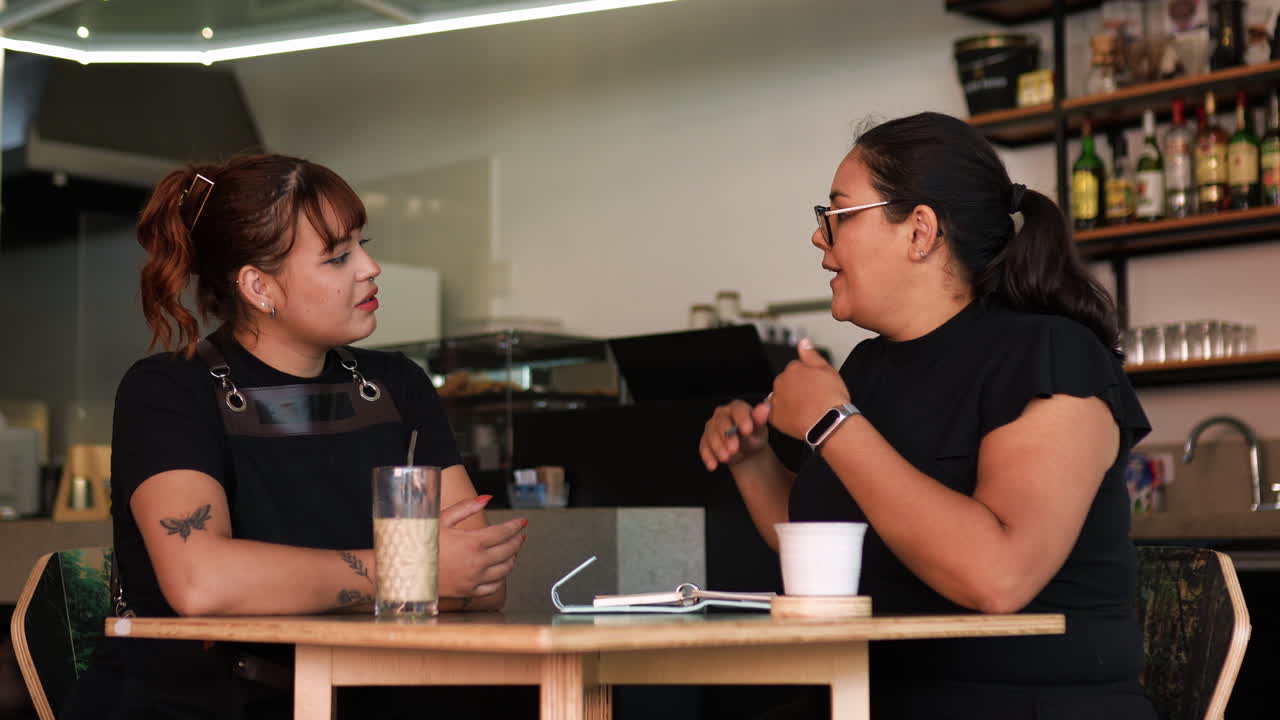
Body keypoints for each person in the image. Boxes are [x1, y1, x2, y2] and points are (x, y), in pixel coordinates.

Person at [698, 112, 1158, 719]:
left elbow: (998, 576)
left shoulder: (1053, 356)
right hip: (869, 696)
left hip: (1022, 706)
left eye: (835, 214)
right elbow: (839, 545)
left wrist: (834, 423)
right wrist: (753, 461)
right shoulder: (867, 368)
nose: (819, 237)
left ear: (920, 231)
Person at [67, 154, 527, 720]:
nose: (370, 266)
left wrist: (434, 574)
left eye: (362, 243)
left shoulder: (397, 385)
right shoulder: (168, 391)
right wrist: (407, 572)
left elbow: (477, 580)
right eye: (338, 257)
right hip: (208, 703)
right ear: (259, 286)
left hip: (366, 692)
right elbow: (202, 583)